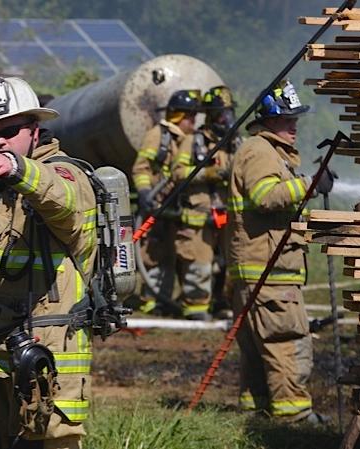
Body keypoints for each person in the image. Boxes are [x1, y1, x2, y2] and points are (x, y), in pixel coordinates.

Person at [0, 74, 97, 449]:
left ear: (36, 130)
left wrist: (21, 172)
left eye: (11, 130)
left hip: (50, 352)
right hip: (5, 351)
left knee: (50, 442)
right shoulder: (0, 185)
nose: (0, 141)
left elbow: (63, 200)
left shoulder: (65, 172)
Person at [227, 79, 333, 421]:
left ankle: (259, 411)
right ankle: (296, 418)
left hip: (265, 269)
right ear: (270, 119)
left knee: (259, 350)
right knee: (287, 342)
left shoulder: (265, 150)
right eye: (288, 119)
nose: (294, 126)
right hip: (269, 272)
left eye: (296, 120)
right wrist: (310, 184)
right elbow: (265, 196)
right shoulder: (260, 150)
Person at [131, 89, 201, 315]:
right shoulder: (158, 135)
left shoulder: (187, 140)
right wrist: (145, 193)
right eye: (191, 116)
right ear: (179, 116)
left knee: (173, 255)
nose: (194, 121)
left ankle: (167, 300)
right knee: (154, 255)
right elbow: (141, 167)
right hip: (157, 206)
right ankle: (152, 301)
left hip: (174, 208)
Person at [171, 86, 237, 320]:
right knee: (199, 264)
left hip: (228, 216)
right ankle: (196, 308)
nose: (225, 119)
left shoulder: (237, 143)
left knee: (230, 264)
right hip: (199, 216)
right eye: (221, 114)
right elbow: (177, 173)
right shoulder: (193, 141)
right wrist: (210, 173)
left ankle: (223, 303)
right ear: (210, 116)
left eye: (229, 113)